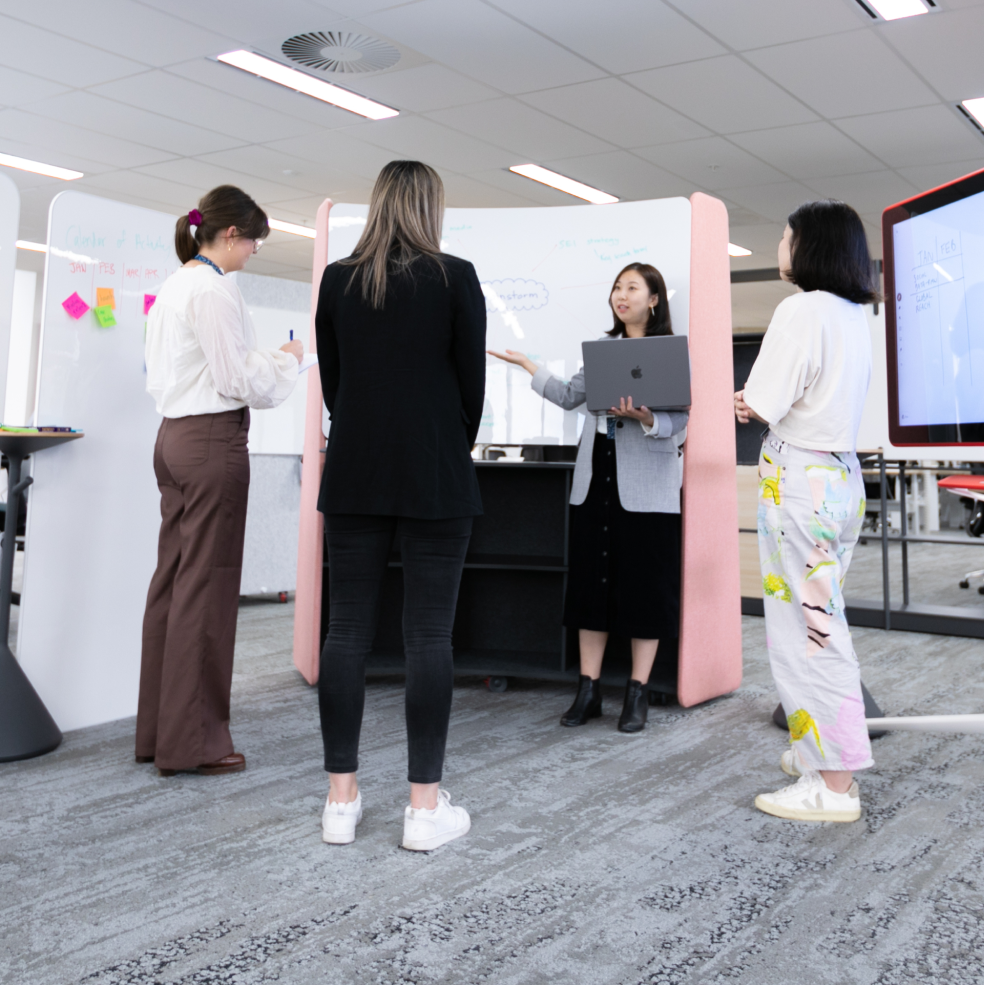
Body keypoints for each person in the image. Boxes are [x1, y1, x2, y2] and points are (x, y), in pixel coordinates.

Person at [314, 161, 485, 852]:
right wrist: (442, 440)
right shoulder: (455, 276)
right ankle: (422, 809)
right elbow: (470, 387)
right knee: (428, 639)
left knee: (346, 633)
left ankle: (340, 802)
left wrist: (366, 429)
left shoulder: (337, 280)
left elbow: (334, 384)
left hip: (355, 469)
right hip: (434, 473)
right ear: (431, 207)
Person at [136, 186, 304, 778]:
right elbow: (236, 379)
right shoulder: (213, 289)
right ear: (230, 234)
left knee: (174, 585)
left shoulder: (174, 285)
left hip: (173, 440)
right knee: (207, 590)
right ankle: (197, 744)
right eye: (254, 238)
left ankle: (160, 734)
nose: (256, 250)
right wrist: (288, 359)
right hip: (210, 441)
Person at [488, 263, 686, 734]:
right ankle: (589, 690)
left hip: (648, 488)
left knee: (644, 589)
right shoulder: (601, 350)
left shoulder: (671, 354)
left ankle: (636, 695)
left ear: (654, 299)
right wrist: (528, 366)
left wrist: (645, 417)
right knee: (591, 587)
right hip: (596, 476)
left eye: (632, 288)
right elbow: (568, 396)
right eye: (617, 287)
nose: (621, 295)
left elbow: (679, 422)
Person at [734, 201, 879, 823]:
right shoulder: (855, 314)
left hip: (801, 481)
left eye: (786, 234)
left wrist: (746, 402)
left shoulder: (799, 309)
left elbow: (764, 400)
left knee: (810, 631)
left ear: (809, 246)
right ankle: (814, 751)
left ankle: (836, 784)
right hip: (840, 477)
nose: (781, 244)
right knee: (817, 619)